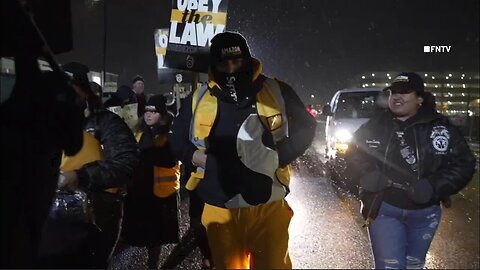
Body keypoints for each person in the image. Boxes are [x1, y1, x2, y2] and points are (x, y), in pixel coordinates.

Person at [170, 31, 316, 269]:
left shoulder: (276, 90)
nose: (231, 69)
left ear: (247, 60)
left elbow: (307, 126)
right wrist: (201, 159)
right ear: (214, 65)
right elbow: (177, 141)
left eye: (237, 61)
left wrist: (281, 156)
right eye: (224, 63)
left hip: (268, 202)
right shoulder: (198, 98)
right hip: (219, 205)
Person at [347, 72, 476, 269]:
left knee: (414, 266)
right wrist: (367, 174)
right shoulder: (375, 125)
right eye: (393, 92)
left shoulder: (440, 127)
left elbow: (464, 163)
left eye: (405, 92)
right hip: (384, 209)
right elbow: (353, 154)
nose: (397, 97)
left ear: (420, 98)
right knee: (390, 266)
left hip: (426, 214)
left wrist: (434, 186)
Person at [38, 62, 139, 268]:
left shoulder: (106, 122)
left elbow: (126, 162)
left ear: (84, 93)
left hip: (97, 217)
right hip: (47, 220)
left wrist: (80, 176)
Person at [121, 94, 181, 269]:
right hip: (141, 189)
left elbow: (170, 158)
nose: (148, 115)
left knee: (157, 234)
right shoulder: (139, 133)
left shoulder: (169, 134)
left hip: (161, 191)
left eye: (153, 112)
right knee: (145, 231)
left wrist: (145, 156)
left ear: (162, 115)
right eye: (147, 111)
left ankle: (153, 263)